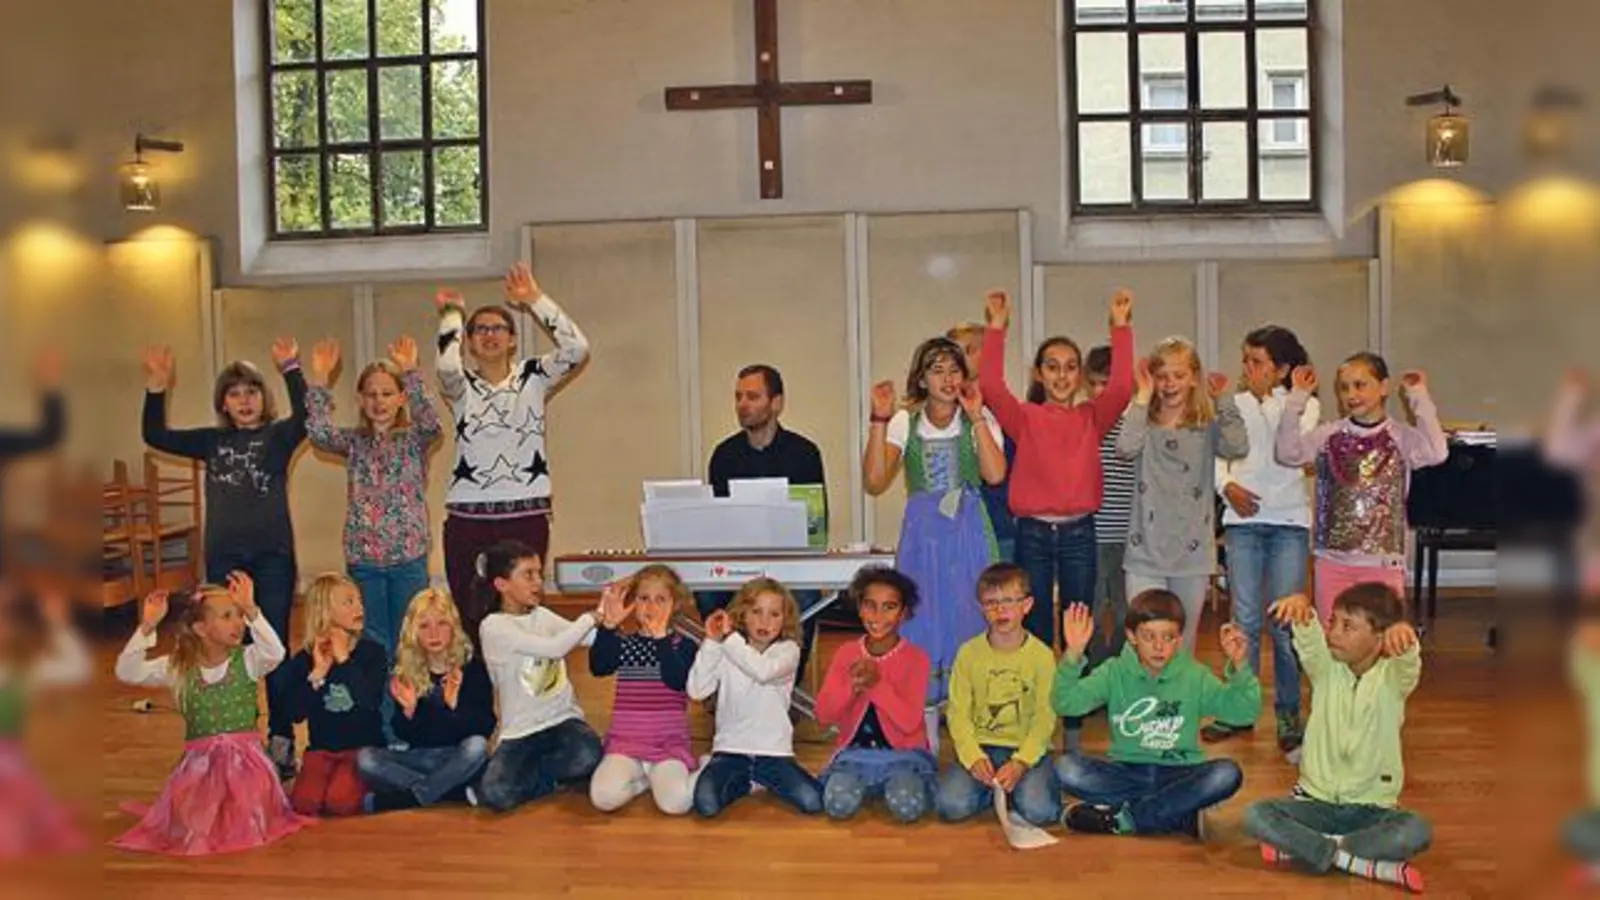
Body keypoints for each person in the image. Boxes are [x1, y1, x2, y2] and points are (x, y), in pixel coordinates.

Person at [141, 339, 308, 779]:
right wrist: (156, 389)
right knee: (226, 644)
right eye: (235, 394)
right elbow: (156, 436)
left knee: (272, 648)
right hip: (226, 559)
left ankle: (283, 736)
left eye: (252, 391)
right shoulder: (212, 442)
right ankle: (234, 730)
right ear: (223, 403)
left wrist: (292, 369)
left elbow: (310, 417)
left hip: (273, 557)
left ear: (262, 398)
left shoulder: (278, 437)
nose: (245, 400)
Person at [434, 263, 590, 639]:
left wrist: (534, 299)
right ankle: (479, 696)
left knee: (526, 615)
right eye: (480, 329)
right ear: (469, 341)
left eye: (498, 328)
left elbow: (577, 348)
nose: (489, 335)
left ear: (513, 339)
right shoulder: (461, 387)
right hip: (468, 520)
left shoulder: (534, 377)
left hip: (526, 513)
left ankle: (529, 695)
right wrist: (452, 318)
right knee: (473, 618)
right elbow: (445, 366)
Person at [863, 337, 1006, 739]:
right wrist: (878, 419)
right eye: (937, 369)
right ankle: (920, 738)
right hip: (923, 540)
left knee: (971, 620)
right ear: (922, 379)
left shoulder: (977, 417)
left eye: (954, 369)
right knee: (921, 624)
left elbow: (995, 475)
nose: (947, 378)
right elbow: (874, 480)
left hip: (968, 534)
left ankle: (976, 737)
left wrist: (978, 417)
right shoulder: (904, 421)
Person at [1245, 585, 1430, 893]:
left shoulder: (1393, 680)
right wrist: (1301, 607)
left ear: (1380, 638)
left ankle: (1306, 849)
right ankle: (1358, 863)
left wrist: (1405, 639)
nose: (1333, 633)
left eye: (1348, 626)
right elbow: (1309, 638)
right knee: (1255, 815)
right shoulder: (1325, 668)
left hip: (1372, 809)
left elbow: (1407, 662)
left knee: (1416, 830)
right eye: (1333, 622)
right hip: (1314, 803)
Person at [111, 577, 311, 854]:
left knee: (245, 809)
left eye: (239, 616)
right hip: (199, 768)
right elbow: (127, 671)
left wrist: (252, 610)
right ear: (200, 628)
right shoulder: (179, 668)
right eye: (227, 616)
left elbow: (275, 653)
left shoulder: (248, 660)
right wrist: (147, 626)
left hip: (247, 765)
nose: (238, 623)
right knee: (194, 821)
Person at [1053, 588, 1257, 839]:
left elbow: (1244, 713)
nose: (1159, 646)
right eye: (1149, 636)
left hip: (1180, 773)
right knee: (1066, 768)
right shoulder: (1114, 672)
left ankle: (1129, 818)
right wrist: (1073, 654)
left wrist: (1240, 666)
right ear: (1131, 636)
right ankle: (1176, 812)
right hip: (1128, 773)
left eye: (1168, 637)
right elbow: (1066, 704)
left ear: (1179, 640)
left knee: (1227, 773)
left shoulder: (1195, 675)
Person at [1204, 326, 1317, 756]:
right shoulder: (1231, 403)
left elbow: (1286, 448)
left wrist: (1276, 397)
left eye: (1257, 362)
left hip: (1288, 521)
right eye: (1245, 360)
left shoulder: (1304, 404)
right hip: (1243, 521)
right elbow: (1214, 455)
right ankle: (1240, 708)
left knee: (1286, 625)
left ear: (1282, 368)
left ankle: (1289, 713)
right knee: (1246, 620)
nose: (1247, 369)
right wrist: (1226, 486)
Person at [1273, 354, 1447, 621]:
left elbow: (1437, 452)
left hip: (1382, 564)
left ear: (1384, 387)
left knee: (1382, 642)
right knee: (1333, 640)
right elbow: (1287, 453)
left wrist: (1419, 397)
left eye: (1360, 385)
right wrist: (1297, 400)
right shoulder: (1328, 435)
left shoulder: (1400, 437)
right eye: (1344, 387)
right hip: (1333, 562)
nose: (1351, 394)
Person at [1117, 337, 1248, 652]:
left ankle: (1179, 703)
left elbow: (1237, 446)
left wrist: (1225, 402)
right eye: (1162, 376)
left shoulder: (1205, 424)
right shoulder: (1143, 421)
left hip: (1191, 553)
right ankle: (1145, 702)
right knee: (1144, 641)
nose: (1169, 384)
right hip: (1145, 552)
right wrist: (1142, 397)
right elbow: (1125, 448)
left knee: (1182, 642)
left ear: (1193, 377)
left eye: (1178, 375)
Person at [701, 364, 826, 677]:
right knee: (705, 593)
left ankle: (786, 684)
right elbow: (716, 521)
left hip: (790, 564)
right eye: (738, 397)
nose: (743, 404)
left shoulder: (805, 453)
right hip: (737, 564)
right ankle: (727, 679)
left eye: (753, 396)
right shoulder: (723, 455)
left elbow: (815, 524)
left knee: (806, 598)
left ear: (776, 403)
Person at [472, 540, 604, 812]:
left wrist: (610, 619)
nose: (538, 582)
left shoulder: (542, 615)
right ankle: (547, 778)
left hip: (562, 721)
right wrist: (594, 615)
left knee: (588, 754)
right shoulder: (494, 627)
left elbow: (586, 637)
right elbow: (555, 648)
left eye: (539, 574)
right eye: (528, 575)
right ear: (501, 584)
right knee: (496, 794)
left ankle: (536, 776)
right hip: (521, 731)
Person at [934, 563, 1061, 827]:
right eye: (991, 603)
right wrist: (973, 758)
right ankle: (997, 789)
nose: (1000, 610)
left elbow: (1044, 718)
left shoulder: (1042, 657)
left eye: (1008, 602)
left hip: (1025, 749)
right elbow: (957, 713)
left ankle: (1009, 785)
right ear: (981, 608)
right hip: (982, 748)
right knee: (949, 806)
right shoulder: (968, 653)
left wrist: (1021, 762)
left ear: (1026, 605)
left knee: (1042, 813)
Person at [687, 578, 823, 817]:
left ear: (786, 620)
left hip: (775, 754)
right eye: (756, 612)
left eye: (774, 614)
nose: (764, 622)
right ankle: (744, 781)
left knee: (813, 801)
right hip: (730, 751)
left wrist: (728, 639)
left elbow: (762, 671)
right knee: (705, 804)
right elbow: (697, 691)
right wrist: (710, 643)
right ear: (742, 615)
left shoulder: (788, 650)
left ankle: (759, 778)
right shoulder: (727, 647)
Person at [813, 566, 935, 823]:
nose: (878, 615)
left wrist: (876, 685)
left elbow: (909, 722)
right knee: (836, 804)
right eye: (870, 605)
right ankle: (868, 785)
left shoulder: (917, 658)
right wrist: (852, 687)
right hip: (854, 755)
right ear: (859, 608)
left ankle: (886, 785)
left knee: (907, 807)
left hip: (904, 756)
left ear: (904, 613)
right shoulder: (846, 653)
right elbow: (824, 715)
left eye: (889, 607)